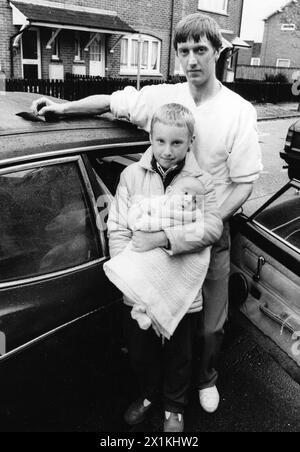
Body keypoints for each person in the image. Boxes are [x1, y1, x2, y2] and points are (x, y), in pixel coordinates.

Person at [31, 12, 262, 414]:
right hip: (158, 223)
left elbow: (244, 182)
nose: (192, 60)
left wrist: (209, 224)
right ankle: (163, 394)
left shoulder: (238, 110)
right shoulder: (162, 97)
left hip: (211, 223)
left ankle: (206, 377)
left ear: (217, 51)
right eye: (184, 50)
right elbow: (113, 103)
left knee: (209, 323)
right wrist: (64, 108)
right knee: (162, 316)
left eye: (200, 50)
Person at [106, 103, 223, 432]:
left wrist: (161, 237)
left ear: (190, 142)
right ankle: (147, 394)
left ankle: (174, 405)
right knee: (141, 352)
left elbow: (211, 229)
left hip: (181, 290)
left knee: (179, 353)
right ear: (151, 138)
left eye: (176, 143)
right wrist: (129, 279)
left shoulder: (201, 181)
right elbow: (117, 228)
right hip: (140, 289)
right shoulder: (131, 176)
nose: (167, 151)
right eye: (160, 142)